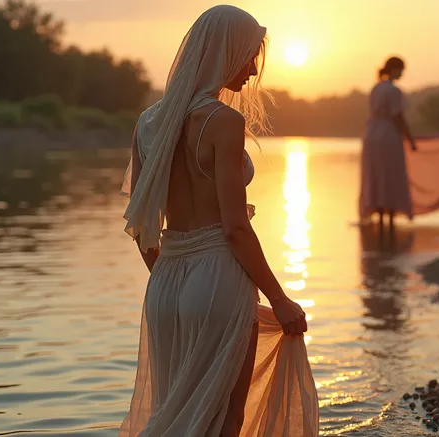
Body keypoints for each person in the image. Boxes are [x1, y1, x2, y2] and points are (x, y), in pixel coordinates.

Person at [118, 5, 318, 437]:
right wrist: (280, 299)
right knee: (224, 420)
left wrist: (175, 274)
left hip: (164, 285)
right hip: (217, 275)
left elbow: (141, 225)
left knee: (176, 414)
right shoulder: (224, 121)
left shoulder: (148, 123)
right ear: (226, 52)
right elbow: (234, 227)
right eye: (249, 55)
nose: (252, 70)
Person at [359, 56, 417, 231]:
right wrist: (410, 138)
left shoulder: (376, 88)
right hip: (387, 135)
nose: (402, 74)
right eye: (401, 70)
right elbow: (397, 116)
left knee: (376, 175)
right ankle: (389, 220)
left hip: (371, 135)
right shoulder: (393, 91)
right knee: (390, 175)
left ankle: (381, 218)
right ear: (393, 69)